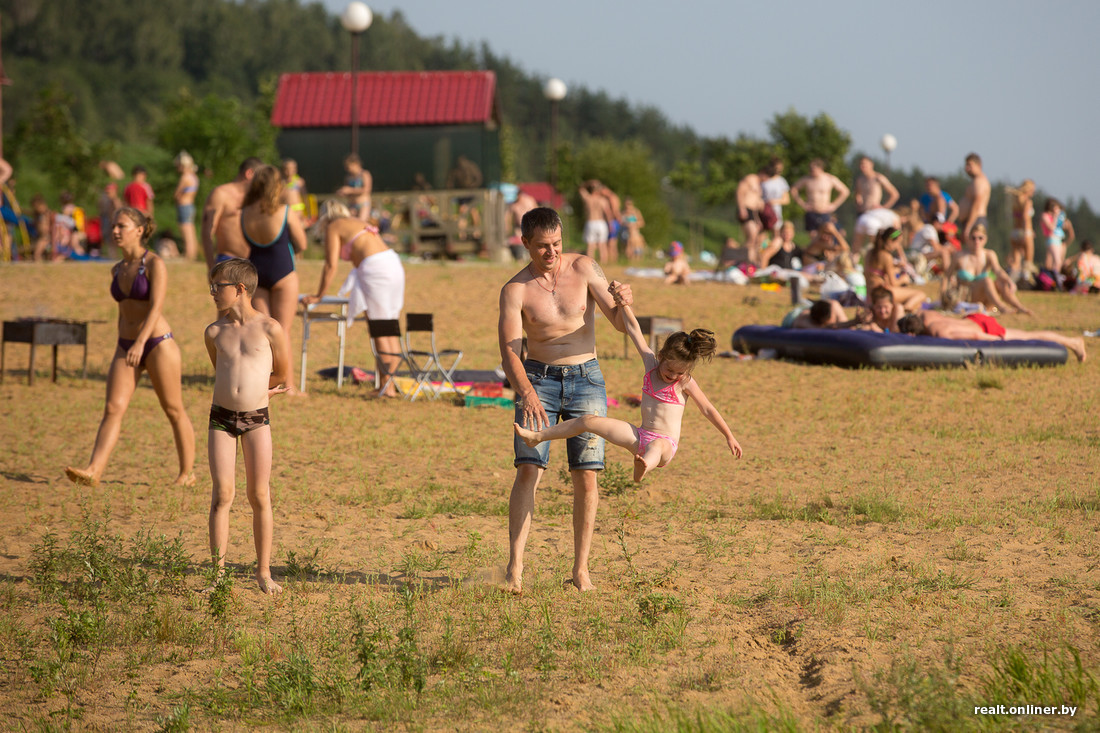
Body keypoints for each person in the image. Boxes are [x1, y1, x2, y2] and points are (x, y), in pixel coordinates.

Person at [497, 206, 633, 593]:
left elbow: (621, 325)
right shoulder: (515, 289)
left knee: (587, 475)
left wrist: (625, 300)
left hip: (586, 378)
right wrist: (525, 391)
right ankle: (515, 570)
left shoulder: (585, 268)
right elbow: (509, 350)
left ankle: (581, 570)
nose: (552, 253)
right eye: (542, 246)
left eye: (557, 243)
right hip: (538, 379)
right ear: (525, 243)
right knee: (528, 469)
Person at [515, 305, 741, 483]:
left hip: (664, 446)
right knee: (588, 421)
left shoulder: (685, 383)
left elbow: (708, 409)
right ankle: (538, 437)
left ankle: (643, 467)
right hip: (639, 436)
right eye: (669, 370)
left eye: (679, 372)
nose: (673, 376)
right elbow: (634, 330)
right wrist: (623, 305)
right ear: (661, 356)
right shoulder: (651, 365)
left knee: (657, 447)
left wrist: (729, 435)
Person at [65, 207, 196, 488]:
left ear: (139, 230)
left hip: (158, 344)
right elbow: (124, 313)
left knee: (173, 409)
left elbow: (156, 307)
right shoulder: (117, 268)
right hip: (126, 345)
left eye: (121, 226)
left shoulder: (154, 264)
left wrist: (139, 343)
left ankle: (187, 474)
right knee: (113, 407)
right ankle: (94, 470)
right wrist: (123, 344)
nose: (115, 231)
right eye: (113, 226)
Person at [204, 258, 291, 594]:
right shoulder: (214, 331)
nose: (212, 292)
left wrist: (262, 391)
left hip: (257, 419)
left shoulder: (270, 328)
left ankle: (264, 572)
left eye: (218, 286)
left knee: (259, 495)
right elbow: (221, 370)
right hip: (221, 418)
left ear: (239, 289)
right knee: (222, 494)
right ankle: (218, 574)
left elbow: (281, 372)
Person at [302, 199, 406, 397]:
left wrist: (318, 295)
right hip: (392, 263)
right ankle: (387, 384)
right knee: (390, 326)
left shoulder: (334, 226)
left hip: (376, 270)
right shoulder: (356, 221)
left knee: (380, 329)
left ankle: (387, 388)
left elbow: (330, 265)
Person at [239, 165, 307, 392]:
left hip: (256, 273)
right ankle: (288, 385)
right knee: (283, 330)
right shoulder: (283, 211)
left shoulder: (245, 212)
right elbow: (302, 243)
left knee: (263, 331)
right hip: (283, 271)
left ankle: (261, 383)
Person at [897, 310, 1085, 362]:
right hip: (973, 317)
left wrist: (997, 341)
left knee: (1028, 336)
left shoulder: (939, 332)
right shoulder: (924, 315)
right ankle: (1072, 342)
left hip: (982, 327)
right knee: (1028, 334)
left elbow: (974, 335)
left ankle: (1073, 342)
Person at [946, 224, 1032, 315]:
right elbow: (946, 276)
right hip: (967, 297)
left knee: (1001, 282)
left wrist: (1009, 281)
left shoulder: (989, 254)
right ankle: (1002, 308)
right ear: (968, 239)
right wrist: (945, 295)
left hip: (985, 300)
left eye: (980, 238)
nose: (977, 241)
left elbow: (998, 271)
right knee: (987, 280)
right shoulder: (960, 256)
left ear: (985, 239)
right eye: (973, 238)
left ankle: (1019, 307)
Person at [202, 157, 263, 272]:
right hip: (229, 261)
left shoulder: (256, 198)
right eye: (260, 177)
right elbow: (207, 232)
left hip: (255, 262)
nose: (262, 182)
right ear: (249, 173)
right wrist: (211, 267)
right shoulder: (221, 194)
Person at [864, 226, 929, 312]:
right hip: (883, 294)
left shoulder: (870, 252)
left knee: (912, 298)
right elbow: (893, 283)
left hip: (869, 295)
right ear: (890, 241)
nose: (898, 246)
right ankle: (905, 308)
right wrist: (903, 279)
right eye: (898, 243)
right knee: (921, 295)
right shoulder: (886, 257)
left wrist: (895, 267)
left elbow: (875, 272)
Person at [791, 159, 850, 237]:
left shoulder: (829, 179)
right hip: (811, 211)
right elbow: (793, 190)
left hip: (824, 211)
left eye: (813, 169)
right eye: (810, 169)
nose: (811, 171)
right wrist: (802, 204)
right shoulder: (807, 179)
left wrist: (834, 205)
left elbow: (845, 191)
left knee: (828, 234)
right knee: (813, 235)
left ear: (820, 168)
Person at [1006, 179, 1036, 280]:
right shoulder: (1028, 202)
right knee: (1028, 262)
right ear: (1028, 190)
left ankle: (1012, 281)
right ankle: (1025, 281)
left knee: (1016, 261)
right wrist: (1027, 232)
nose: (1033, 192)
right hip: (1025, 231)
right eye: (1032, 190)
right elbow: (1025, 217)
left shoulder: (1016, 201)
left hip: (1015, 232)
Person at [173, 151, 200, 261]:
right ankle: (193, 254)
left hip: (184, 205)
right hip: (191, 205)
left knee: (186, 232)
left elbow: (177, 193)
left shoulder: (185, 177)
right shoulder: (194, 177)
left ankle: (188, 255)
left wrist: (176, 197)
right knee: (191, 231)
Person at [735, 169, 765, 265]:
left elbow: (755, 205)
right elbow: (739, 191)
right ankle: (736, 259)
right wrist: (741, 208)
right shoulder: (751, 178)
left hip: (752, 212)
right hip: (745, 209)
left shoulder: (760, 185)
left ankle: (749, 262)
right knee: (752, 237)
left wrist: (758, 220)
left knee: (755, 240)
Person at [958, 153, 990, 240]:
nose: (966, 168)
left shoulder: (979, 181)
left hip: (976, 221)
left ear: (979, 165)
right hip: (972, 220)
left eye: (969, 165)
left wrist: (968, 226)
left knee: (974, 251)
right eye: (966, 165)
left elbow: (977, 204)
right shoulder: (975, 181)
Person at [1040, 198, 1074, 281]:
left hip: (1059, 240)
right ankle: (1054, 281)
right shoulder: (1046, 216)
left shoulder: (1057, 217)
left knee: (1055, 262)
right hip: (1052, 239)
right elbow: (1051, 227)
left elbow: (1068, 231)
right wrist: (1055, 217)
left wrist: (1064, 222)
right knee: (1056, 262)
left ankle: (1052, 280)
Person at [578, 181, 611, 262]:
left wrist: (588, 183)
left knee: (590, 245)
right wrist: (610, 224)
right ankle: (604, 263)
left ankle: (590, 263)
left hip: (591, 222)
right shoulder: (602, 200)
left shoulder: (588, 198)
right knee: (602, 245)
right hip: (601, 223)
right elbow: (608, 213)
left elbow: (580, 188)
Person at [338, 153, 373, 222]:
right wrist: (343, 192)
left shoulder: (365, 174)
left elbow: (367, 190)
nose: (347, 169)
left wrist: (350, 190)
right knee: (349, 223)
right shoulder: (348, 177)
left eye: (348, 166)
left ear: (355, 164)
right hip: (352, 205)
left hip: (363, 204)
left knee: (361, 224)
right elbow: (348, 191)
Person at [760, 157, 791, 234]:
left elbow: (786, 200)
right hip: (762, 208)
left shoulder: (781, 181)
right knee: (761, 233)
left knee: (776, 232)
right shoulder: (764, 179)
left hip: (775, 210)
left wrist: (774, 201)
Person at [281, 159, 309, 223]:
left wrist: (307, 214)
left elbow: (305, 198)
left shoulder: (299, 182)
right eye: (286, 169)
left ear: (295, 169)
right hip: (286, 213)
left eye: (291, 168)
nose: (289, 171)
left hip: (298, 213)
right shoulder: (281, 183)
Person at [621, 197, 647, 262]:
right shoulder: (623, 213)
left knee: (637, 245)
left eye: (629, 204)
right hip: (625, 233)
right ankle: (628, 260)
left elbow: (642, 223)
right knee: (627, 247)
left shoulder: (636, 212)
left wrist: (634, 224)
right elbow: (620, 223)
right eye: (626, 204)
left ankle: (637, 260)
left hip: (634, 233)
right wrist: (626, 224)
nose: (628, 206)